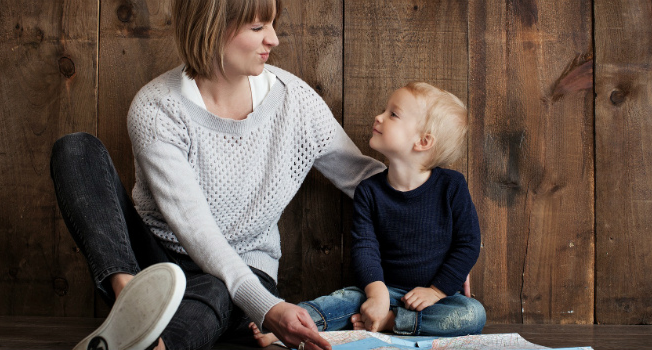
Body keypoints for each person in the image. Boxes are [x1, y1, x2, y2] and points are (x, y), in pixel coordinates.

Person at [50, 0, 386, 349]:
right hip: (154, 261)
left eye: (272, 24)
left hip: (245, 271)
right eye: (258, 28)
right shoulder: (156, 108)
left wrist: (443, 194)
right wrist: (269, 311)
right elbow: (193, 226)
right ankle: (131, 301)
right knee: (75, 149)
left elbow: (364, 179)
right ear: (211, 29)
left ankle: (146, 341)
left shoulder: (296, 102)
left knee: (217, 287)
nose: (274, 39)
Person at [251, 82, 485, 346]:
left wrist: (437, 291)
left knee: (473, 314)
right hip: (384, 289)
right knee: (342, 301)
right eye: (385, 110)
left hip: (435, 299)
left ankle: (392, 322)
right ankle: (287, 327)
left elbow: (467, 243)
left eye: (393, 114)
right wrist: (376, 294)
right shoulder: (369, 191)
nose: (379, 117)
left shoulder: (451, 186)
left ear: (423, 141)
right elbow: (365, 247)